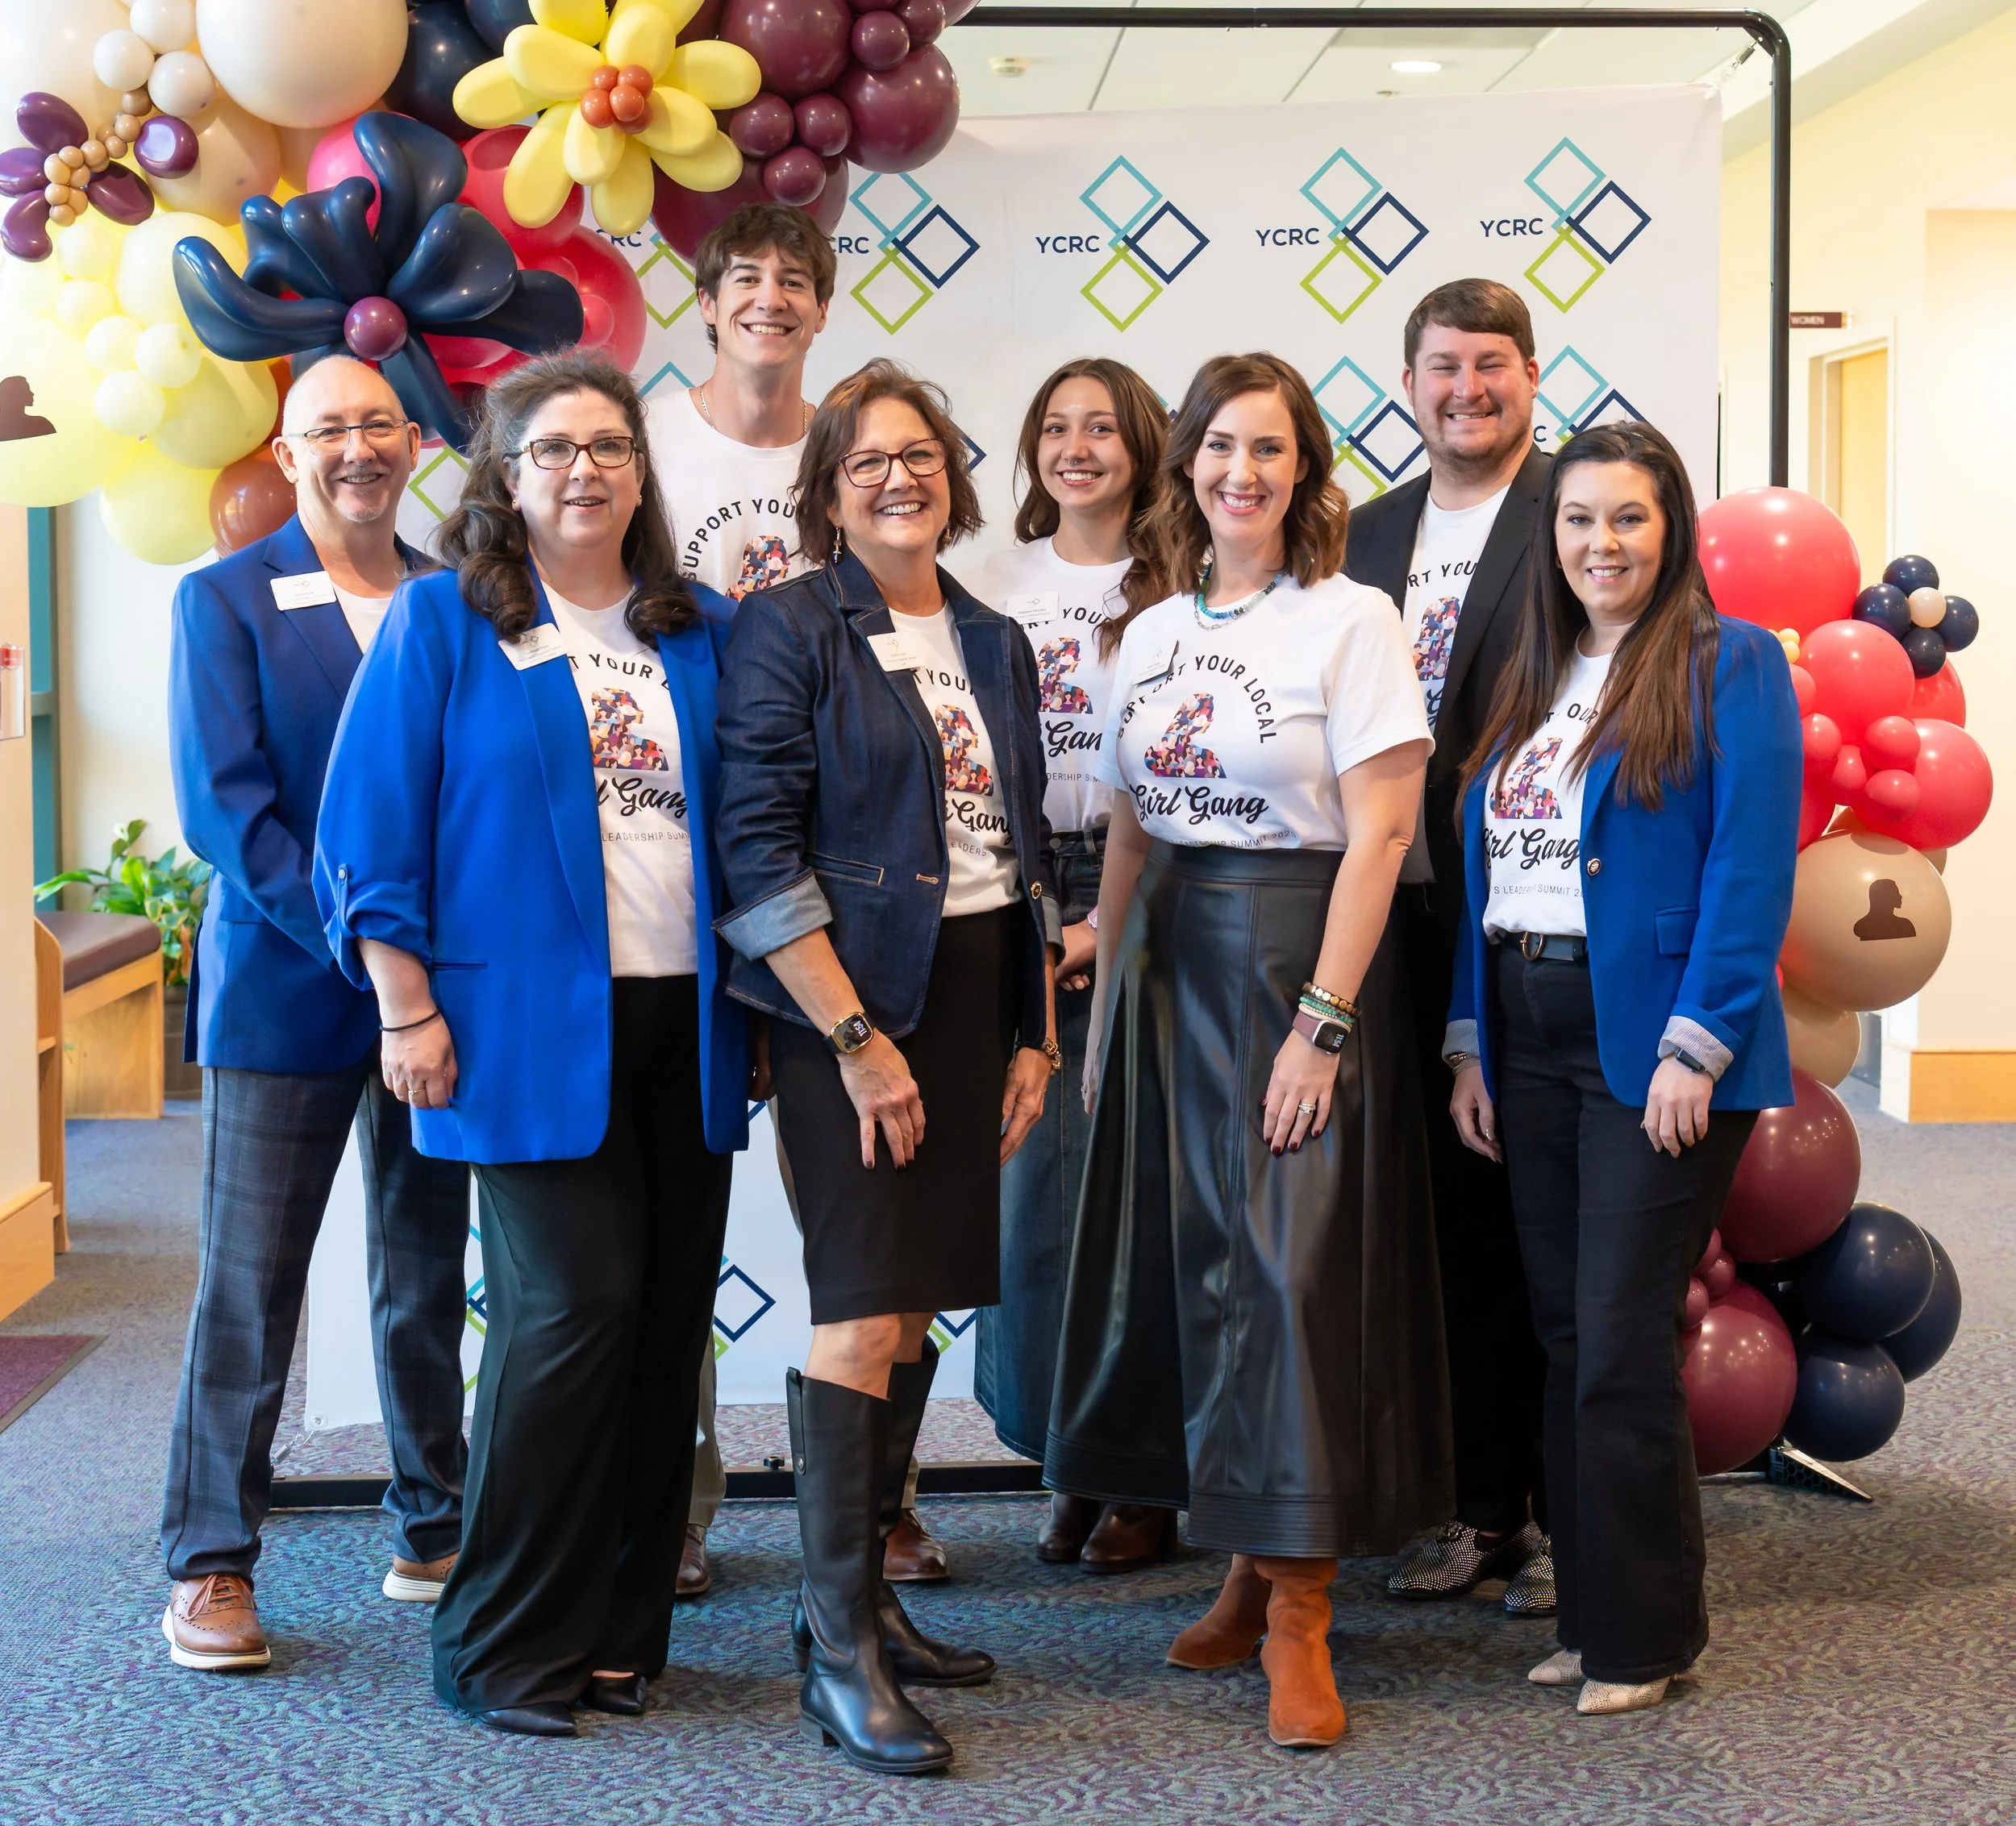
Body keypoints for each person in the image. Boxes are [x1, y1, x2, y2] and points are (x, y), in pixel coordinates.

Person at [314, 351, 751, 1737]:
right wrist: (406, 1006)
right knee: (569, 1322)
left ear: (640, 471)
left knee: (663, 1329)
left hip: (686, 1026)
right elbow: (368, 835)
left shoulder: (703, 628)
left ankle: (619, 1637)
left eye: (608, 447)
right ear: (506, 476)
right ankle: (500, 1643)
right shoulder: (445, 624)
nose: (583, 469)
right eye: (552, 447)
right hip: (511, 1031)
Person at [1045, 352, 1452, 1751]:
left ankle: (1302, 1615)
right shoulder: (1146, 631)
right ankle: (1239, 1560)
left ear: (1302, 471)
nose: (1241, 473)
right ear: (1190, 467)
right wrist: (1102, 1000)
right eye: (1221, 446)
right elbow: (1129, 825)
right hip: (1167, 965)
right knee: (1199, 1275)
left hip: (1298, 959)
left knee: (1292, 1277)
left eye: (1269, 451)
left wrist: (1321, 1026)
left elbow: (1385, 835)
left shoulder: (1355, 620)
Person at [713, 359, 1060, 1775]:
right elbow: (756, 853)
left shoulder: (992, 638)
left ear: (953, 475)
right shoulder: (789, 631)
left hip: (978, 993)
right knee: (861, 1313)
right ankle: (839, 1647)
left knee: (916, 1313)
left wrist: (1035, 1028)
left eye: (920, 456)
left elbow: (1025, 851)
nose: (899, 479)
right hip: (846, 1005)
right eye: (868, 463)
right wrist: (853, 1040)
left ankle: (853, 1607)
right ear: (828, 490)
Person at [1445, 420, 1800, 1716]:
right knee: (1561, 1334)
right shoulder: (1533, 673)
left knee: (1618, 1344)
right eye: (1581, 518)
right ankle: (1592, 1614)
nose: (1602, 542)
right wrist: (1470, 1039)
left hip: (1653, 1044)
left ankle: (1648, 1635)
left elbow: (1751, 867)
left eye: (1629, 518)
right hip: (1525, 1030)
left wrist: (1696, 1043)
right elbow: (1495, 874)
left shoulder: (1731, 665)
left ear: (1674, 530)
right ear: (1553, 535)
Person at [648, 202, 942, 1590]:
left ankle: (879, 1515)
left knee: (883, 1218)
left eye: (796, 280)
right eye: (744, 277)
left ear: (823, 307)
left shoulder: (855, 451)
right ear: (704, 301)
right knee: (677, 1218)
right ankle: (678, 1505)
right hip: (664, 865)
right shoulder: (644, 446)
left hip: (835, 888)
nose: (770, 298)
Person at [160, 355, 469, 1672]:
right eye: (327, 428)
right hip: (291, 988)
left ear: (414, 443)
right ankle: (210, 1562)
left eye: (378, 424)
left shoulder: (456, 596)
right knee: (250, 1288)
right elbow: (225, 809)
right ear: (286, 456)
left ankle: (436, 1522)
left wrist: (424, 975)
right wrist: (368, 951)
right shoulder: (222, 598)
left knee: (422, 1275)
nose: (358, 447)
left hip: (442, 1001)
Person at [1343, 279, 1555, 1613]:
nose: (1464, 387)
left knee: (1524, 1221)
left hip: (1529, 916)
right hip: (1388, 917)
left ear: (1533, 374)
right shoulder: (1365, 532)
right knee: (1424, 1218)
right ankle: (1462, 1496)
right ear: (1408, 383)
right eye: (1440, 366)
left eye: (1490, 363)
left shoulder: (1580, 514)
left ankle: (1535, 1506)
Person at [970, 357, 1178, 1571]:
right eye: (1056, 427)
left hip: (1152, 877)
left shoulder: (1185, 585)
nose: (1078, 447)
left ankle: (1143, 1472)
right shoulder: (994, 577)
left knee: (1145, 1201)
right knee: (1038, 1205)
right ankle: (1067, 1458)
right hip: (1019, 877)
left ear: (1143, 445)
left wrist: (1112, 914)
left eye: (1103, 426)